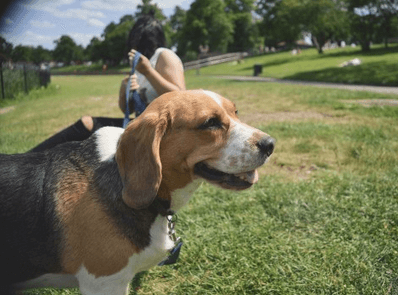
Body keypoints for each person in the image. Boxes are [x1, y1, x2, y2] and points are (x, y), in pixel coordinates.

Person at [30, 12, 185, 153]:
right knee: (88, 124)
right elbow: (128, 109)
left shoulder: (164, 55)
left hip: (163, 131)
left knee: (90, 125)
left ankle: (30, 159)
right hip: (142, 126)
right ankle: (31, 158)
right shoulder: (142, 64)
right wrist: (124, 89)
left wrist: (148, 72)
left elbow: (181, 98)